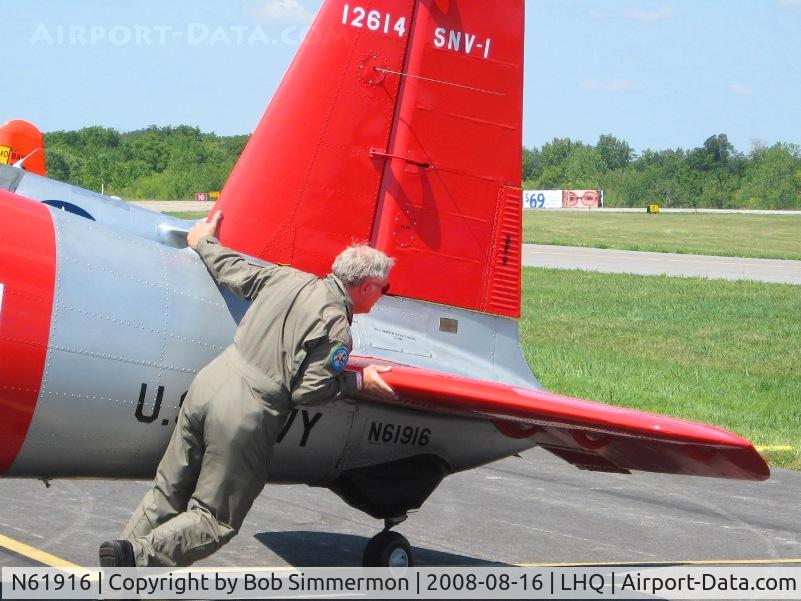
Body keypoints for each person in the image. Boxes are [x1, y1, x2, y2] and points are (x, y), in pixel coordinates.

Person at [99, 211, 396, 567]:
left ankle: (119, 575)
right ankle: (135, 557)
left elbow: (232, 271)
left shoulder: (288, 278)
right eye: (384, 289)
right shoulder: (336, 328)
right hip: (245, 411)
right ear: (365, 286)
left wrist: (204, 241)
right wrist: (359, 380)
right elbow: (309, 392)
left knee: (168, 490)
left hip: (209, 385)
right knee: (216, 519)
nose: (382, 297)